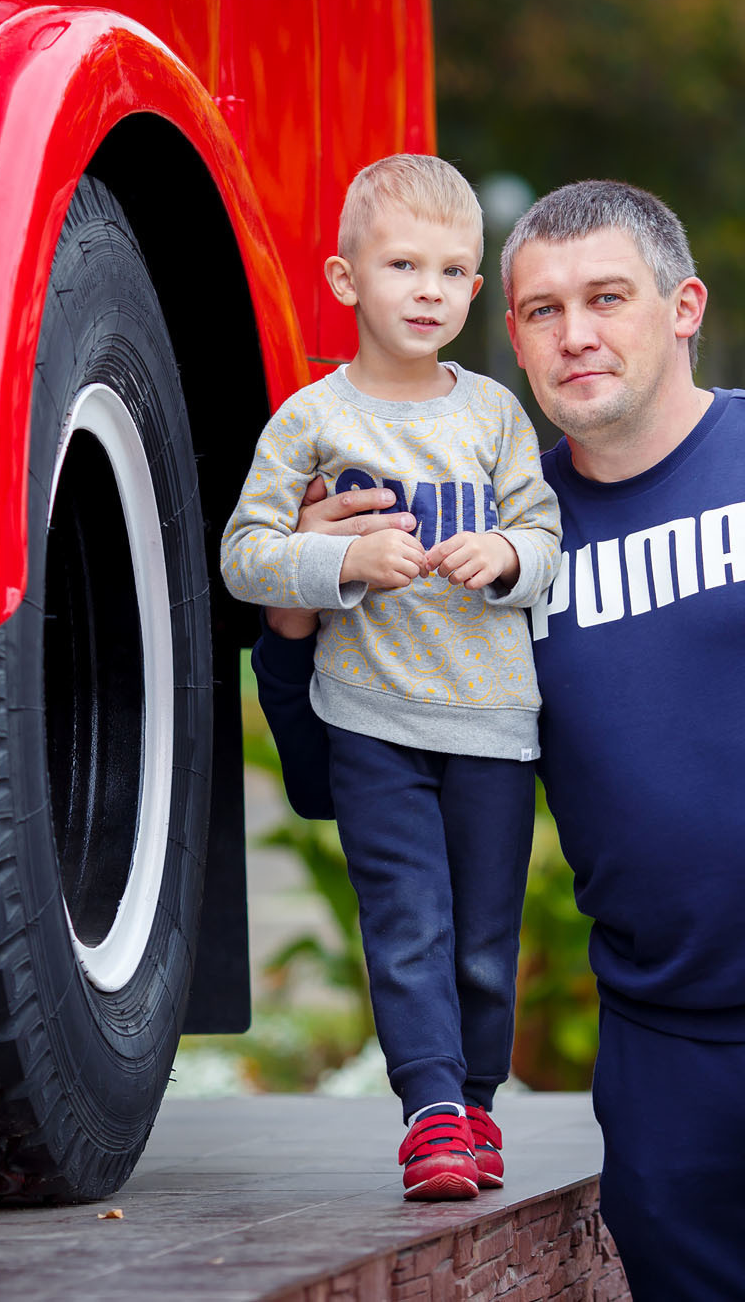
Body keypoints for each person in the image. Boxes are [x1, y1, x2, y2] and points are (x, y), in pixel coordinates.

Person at [254, 179, 745, 1297]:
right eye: (538, 311)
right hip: (666, 1069)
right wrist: (293, 615)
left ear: (682, 307)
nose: (574, 335)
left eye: (606, 297)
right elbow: (346, 784)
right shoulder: (493, 540)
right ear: (509, 337)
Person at [221, 154, 562, 1201]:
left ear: (475, 292)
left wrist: (505, 558)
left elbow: (545, 536)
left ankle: (476, 1104)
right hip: (369, 719)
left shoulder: (496, 417)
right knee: (404, 923)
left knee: (481, 939)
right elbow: (243, 553)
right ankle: (427, 1119)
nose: (426, 288)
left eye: (452, 271)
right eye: (401, 263)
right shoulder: (310, 421)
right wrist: (338, 562)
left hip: (492, 724)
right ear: (343, 279)